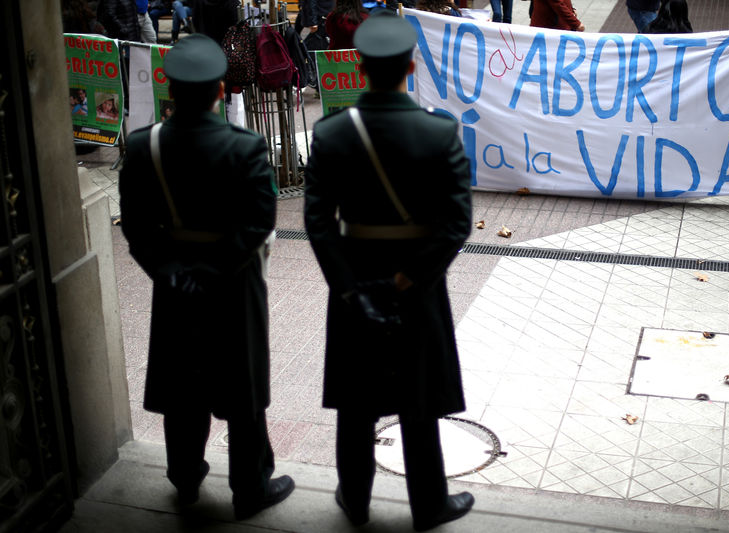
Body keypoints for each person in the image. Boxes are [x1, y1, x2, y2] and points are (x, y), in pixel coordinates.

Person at [304, 12, 474, 533]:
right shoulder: (440, 131)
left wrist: (352, 289)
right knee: (418, 397)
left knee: (357, 399)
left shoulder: (331, 133)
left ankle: (354, 498)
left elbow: (317, 223)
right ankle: (430, 504)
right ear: (412, 64)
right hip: (416, 284)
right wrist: (406, 281)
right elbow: (456, 226)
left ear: (359, 66)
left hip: (355, 277)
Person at [118, 33, 294, 520]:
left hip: (174, 286)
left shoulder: (143, 146)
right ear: (221, 90)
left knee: (183, 384)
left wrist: (172, 273)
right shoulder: (246, 146)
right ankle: (250, 486)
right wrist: (214, 271)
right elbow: (259, 224)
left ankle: (186, 478)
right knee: (242, 388)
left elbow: (135, 226)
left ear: (169, 89)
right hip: (234, 285)